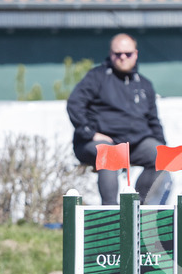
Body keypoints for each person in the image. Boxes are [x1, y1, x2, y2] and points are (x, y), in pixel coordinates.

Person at [67, 33, 169, 205]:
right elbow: (74, 105)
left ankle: (134, 208)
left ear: (135, 54)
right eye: (118, 53)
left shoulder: (144, 84)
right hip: (95, 143)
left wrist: (163, 147)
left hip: (134, 144)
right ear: (111, 54)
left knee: (161, 156)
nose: (122, 57)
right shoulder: (96, 77)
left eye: (127, 54)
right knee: (110, 154)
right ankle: (111, 213)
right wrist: (91, 133)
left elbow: (153, 121)